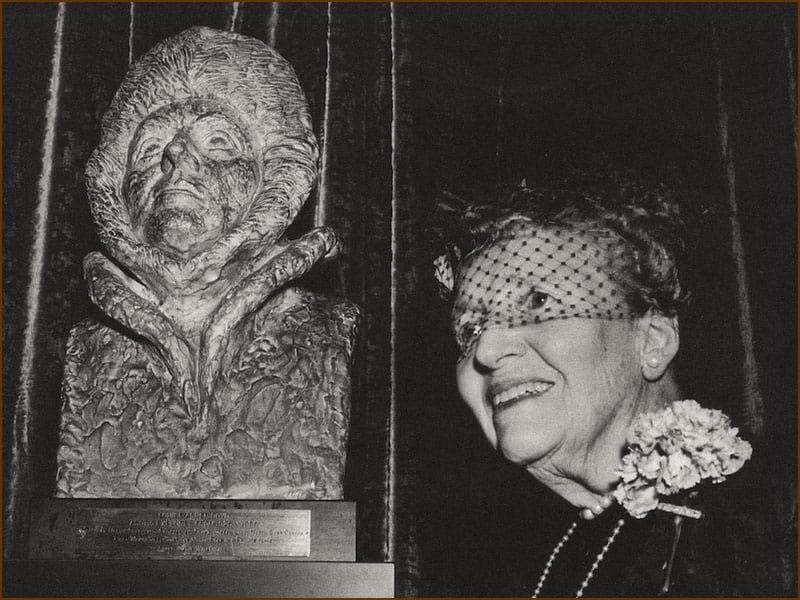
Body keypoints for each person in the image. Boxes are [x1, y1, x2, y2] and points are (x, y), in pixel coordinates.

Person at [435, 170, 790, 596]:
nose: (487, 351)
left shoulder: (778, 524)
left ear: (652, 342)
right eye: (470, 329)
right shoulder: (511, 569)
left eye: (538, 301)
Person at [56, 27, 359, 499]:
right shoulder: (89, 346)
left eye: (218, 143)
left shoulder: (324, 328)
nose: (177, 156)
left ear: (272, 177)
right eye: (151, 149)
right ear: (115, 187)